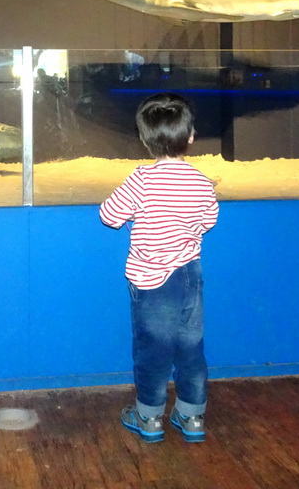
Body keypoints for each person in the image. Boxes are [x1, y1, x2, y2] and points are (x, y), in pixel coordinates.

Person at [99, 92, 218, 444]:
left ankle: (149, 417)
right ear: (191, 137)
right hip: (189, 275)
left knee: (153, 350)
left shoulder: (141, 179)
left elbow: (109, 215)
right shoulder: (200, 180)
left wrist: (138, 215)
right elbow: (207, 220)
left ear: (144, 139)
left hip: (151, 281)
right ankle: (192, 414)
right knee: (191, 347)